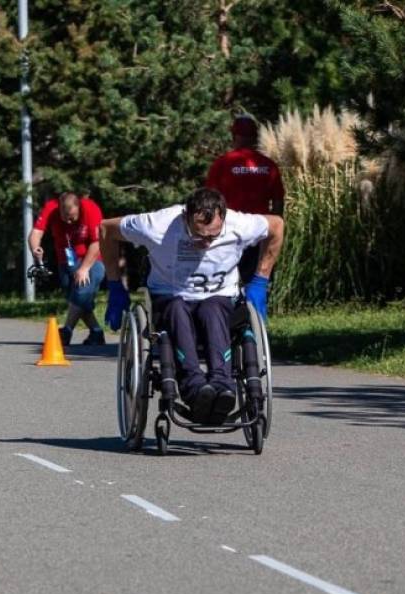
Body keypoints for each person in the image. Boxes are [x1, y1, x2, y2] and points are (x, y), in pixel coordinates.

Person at [98, 187, 284, 423]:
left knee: (212, 309)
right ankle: (194, 389)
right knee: (177, 309)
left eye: (213, 236)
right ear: (185, 217)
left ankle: (221, 386)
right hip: (170, 296)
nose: (205, 243)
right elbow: (106, 229)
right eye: (198, 235)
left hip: (218, 296)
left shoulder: (238, 225)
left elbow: (276, 225)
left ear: (223, 219)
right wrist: (115, 285)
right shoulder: (157, 225)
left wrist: (260, 280)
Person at [206, 114, 285, 297]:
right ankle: (254, 317)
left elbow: (209, 200)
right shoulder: (268, 165)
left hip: (229, 231)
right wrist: (275, 228)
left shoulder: (222, 164)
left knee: (225, 280)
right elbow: (278, 203)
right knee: (256, 280)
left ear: (234, 136)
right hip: (260, 231)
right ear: (255, 137)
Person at [27, 192, 107, 345]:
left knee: (82, 292)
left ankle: (66, 331)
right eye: (65, 217)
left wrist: (84, 268)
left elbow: (97, 243)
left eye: (73, 217)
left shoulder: (90, 209)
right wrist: (35, 248)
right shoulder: (51, 208)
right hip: (66, 260)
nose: (69, 222)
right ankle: (96, 333)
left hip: (92, 259)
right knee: (75, 299)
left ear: (78, 207)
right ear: (59, 209)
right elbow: (36, 232)